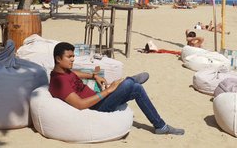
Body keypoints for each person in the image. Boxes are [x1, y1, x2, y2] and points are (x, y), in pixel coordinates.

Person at [49, 42, 184, 135]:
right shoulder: (58, 82)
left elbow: (75, 74)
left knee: (136, 88)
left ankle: (161, 126)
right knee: (129, 85)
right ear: (58, 59)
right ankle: (128, 81)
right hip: (96, 107)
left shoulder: (65, 71)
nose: (72, 60)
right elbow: (80, 104)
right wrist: (108, 91)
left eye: (73, 56)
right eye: (69, 57)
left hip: (99, 99)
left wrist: (93, 76)